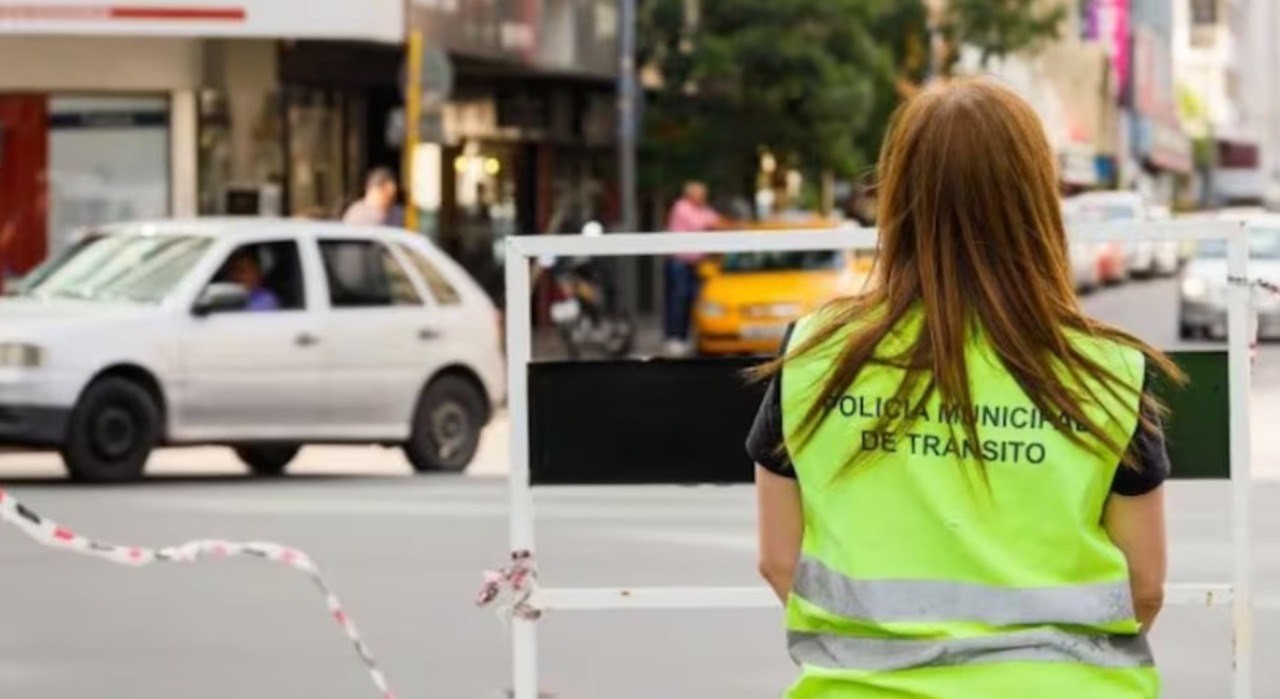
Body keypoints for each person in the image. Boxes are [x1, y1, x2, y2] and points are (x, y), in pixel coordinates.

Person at [748, 78, 1178, 699]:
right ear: (1037, 200)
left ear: (896, 198)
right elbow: (1145, 587)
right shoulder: (1108, 370)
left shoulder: (815, 354)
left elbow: (777, 559)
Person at [663, 180, 721, 356]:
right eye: (700, 194)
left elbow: (717, 221)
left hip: (695, 264)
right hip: (679, 262)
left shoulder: (703, 209)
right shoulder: (682, 208)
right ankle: (673, 337)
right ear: (691, 195)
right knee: (679, 298)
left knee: (691, 299)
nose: (703, 197)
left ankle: (684, 336)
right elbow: (704, 225)